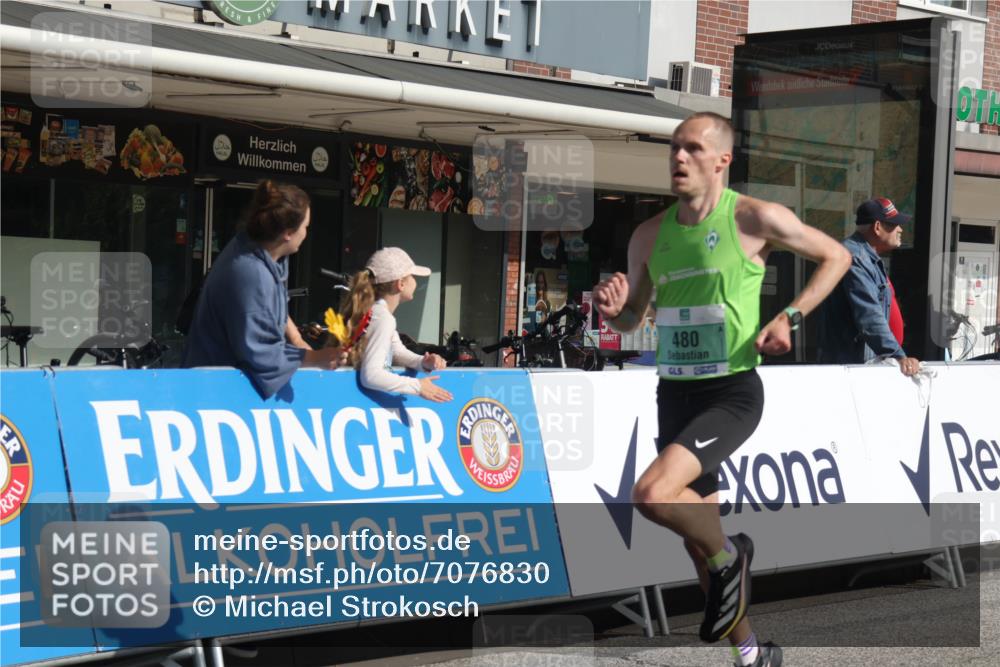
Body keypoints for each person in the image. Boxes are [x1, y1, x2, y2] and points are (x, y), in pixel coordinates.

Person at [593, 112, 851, 667]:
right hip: (674, 393)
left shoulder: (754, 218)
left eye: (691, 149)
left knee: (654, 495)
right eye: (672, 149)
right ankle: (754, 654)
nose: (678, 159)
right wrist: (613, 312)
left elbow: (838, 256)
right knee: (696, 544)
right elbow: (635, 318)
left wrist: (791, 318)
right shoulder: (648, 234)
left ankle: (733, 552)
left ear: (721, 160)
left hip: (731, 392)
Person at [182, 180, 343, 398]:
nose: (306, 233)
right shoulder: (250, 273)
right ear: (288, 232)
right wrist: (318, 358)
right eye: (305, 227)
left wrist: (296, 339)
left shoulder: (263, 250)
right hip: (215, 392)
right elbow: (262, 355)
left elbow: (272, 305)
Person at [816, 197, 921, 376]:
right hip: (850, 370)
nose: (900, 229)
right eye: (894, 224)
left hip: (860, 366)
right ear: (878, 227)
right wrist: (897, 355)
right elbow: (869, 315)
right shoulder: (856, 258)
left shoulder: (867, 257)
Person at [340, 247, 452, 403]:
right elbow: (371, 376)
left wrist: (422, 362)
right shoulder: (383, 317)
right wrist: (418, 386)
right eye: (412, 276)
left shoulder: (376, 312)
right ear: (401, 284)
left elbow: (397, 351)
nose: (415, 281)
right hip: (355, 401)